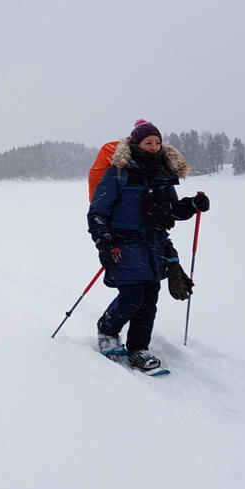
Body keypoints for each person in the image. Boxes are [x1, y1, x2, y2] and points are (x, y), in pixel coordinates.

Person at [87, 119, 210, 371]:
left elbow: (172, 211)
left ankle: (138, 349)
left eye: (157, 142)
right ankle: (107, 332)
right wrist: (104, 244)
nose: (154, 147)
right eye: (148, 142)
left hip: (153, 246)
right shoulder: (119, 172)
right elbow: (97, 212)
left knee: (149, 299)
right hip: (123, 245)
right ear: (135, 143)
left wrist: (192, 205)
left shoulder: (163, 175)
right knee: (133, 296)